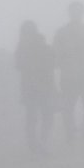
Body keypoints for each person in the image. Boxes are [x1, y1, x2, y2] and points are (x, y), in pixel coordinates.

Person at [54, 2, 84, 143]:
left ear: (82, 13)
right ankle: (70, 133)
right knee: (68, 107)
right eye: (74, 11)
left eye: (78, 12)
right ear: (70, 13)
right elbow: (56, 56)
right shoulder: (61, 33)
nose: (76, 14)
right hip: (70, 76)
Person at [12, 20, 54, 153]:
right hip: (41, 85)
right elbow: (51, 63)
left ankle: (36, 143)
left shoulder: (24, 47)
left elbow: (18, 65)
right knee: (44, 115)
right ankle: (41, 142)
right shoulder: (41, 45)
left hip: (32, 86)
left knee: (34, 116)